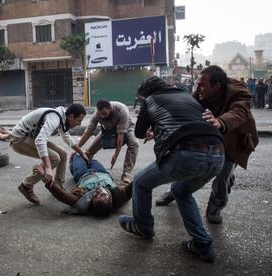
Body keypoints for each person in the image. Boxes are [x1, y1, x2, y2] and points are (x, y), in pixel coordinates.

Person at [118, 76, 225, 262]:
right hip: (218, 154)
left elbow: (139, 133)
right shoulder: (187, 96)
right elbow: (187, 120)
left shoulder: (150, 100)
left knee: (141, 183)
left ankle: (143, 226)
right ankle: (202, 244)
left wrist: (152, 123)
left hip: (186, 152)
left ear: (146, 94)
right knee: (180, 191)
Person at [156, 65, 258, 225]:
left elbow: (239, 113)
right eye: (198, 84)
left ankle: (214, 208)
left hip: (232, 140)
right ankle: (173, 193)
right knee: (187, 165)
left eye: (203, 85)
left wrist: (220, 121)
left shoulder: (239, 93)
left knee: (222, 179)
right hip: (209, 137)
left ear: (217, 86)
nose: (198, 88)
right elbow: (183, 110)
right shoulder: (200, 93)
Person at [10, 104, 88, 205]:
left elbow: (66, 137)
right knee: (54, 158)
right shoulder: (54, 119)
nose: (80, 124)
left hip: (31, 137)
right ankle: (26, 186)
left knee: (63, 154)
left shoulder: (62, 117)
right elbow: (40, 141)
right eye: (79, 120)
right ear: (71, 116)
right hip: (19, 140)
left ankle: (58, 186)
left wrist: (81, 153)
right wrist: (47, 167)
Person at [33, 153, 132, 216]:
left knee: (77, 156)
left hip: (83, 174)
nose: (98, 191)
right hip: (101, 172)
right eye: (103, 194)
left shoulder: (82, 202)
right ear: (110, 200)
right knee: (91, 159)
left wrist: (45, 176)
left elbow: (62, 195)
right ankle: (85, 158)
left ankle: (73, 163)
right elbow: (135, 186)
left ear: (91, 201)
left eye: (95, 196)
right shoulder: (119, 197)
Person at [78, 99, 139, 184]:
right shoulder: (96, 115)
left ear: (110, 109)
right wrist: (77, 147)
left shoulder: (121, 111)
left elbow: (120, 136)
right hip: (108, 130)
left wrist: (115, 156)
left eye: (104, 114)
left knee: (134, 143)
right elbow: (88, 133)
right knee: (90, 150)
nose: (102, 117)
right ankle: (85, 169)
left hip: (126, 128)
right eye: (100, 114)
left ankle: (126, 173)